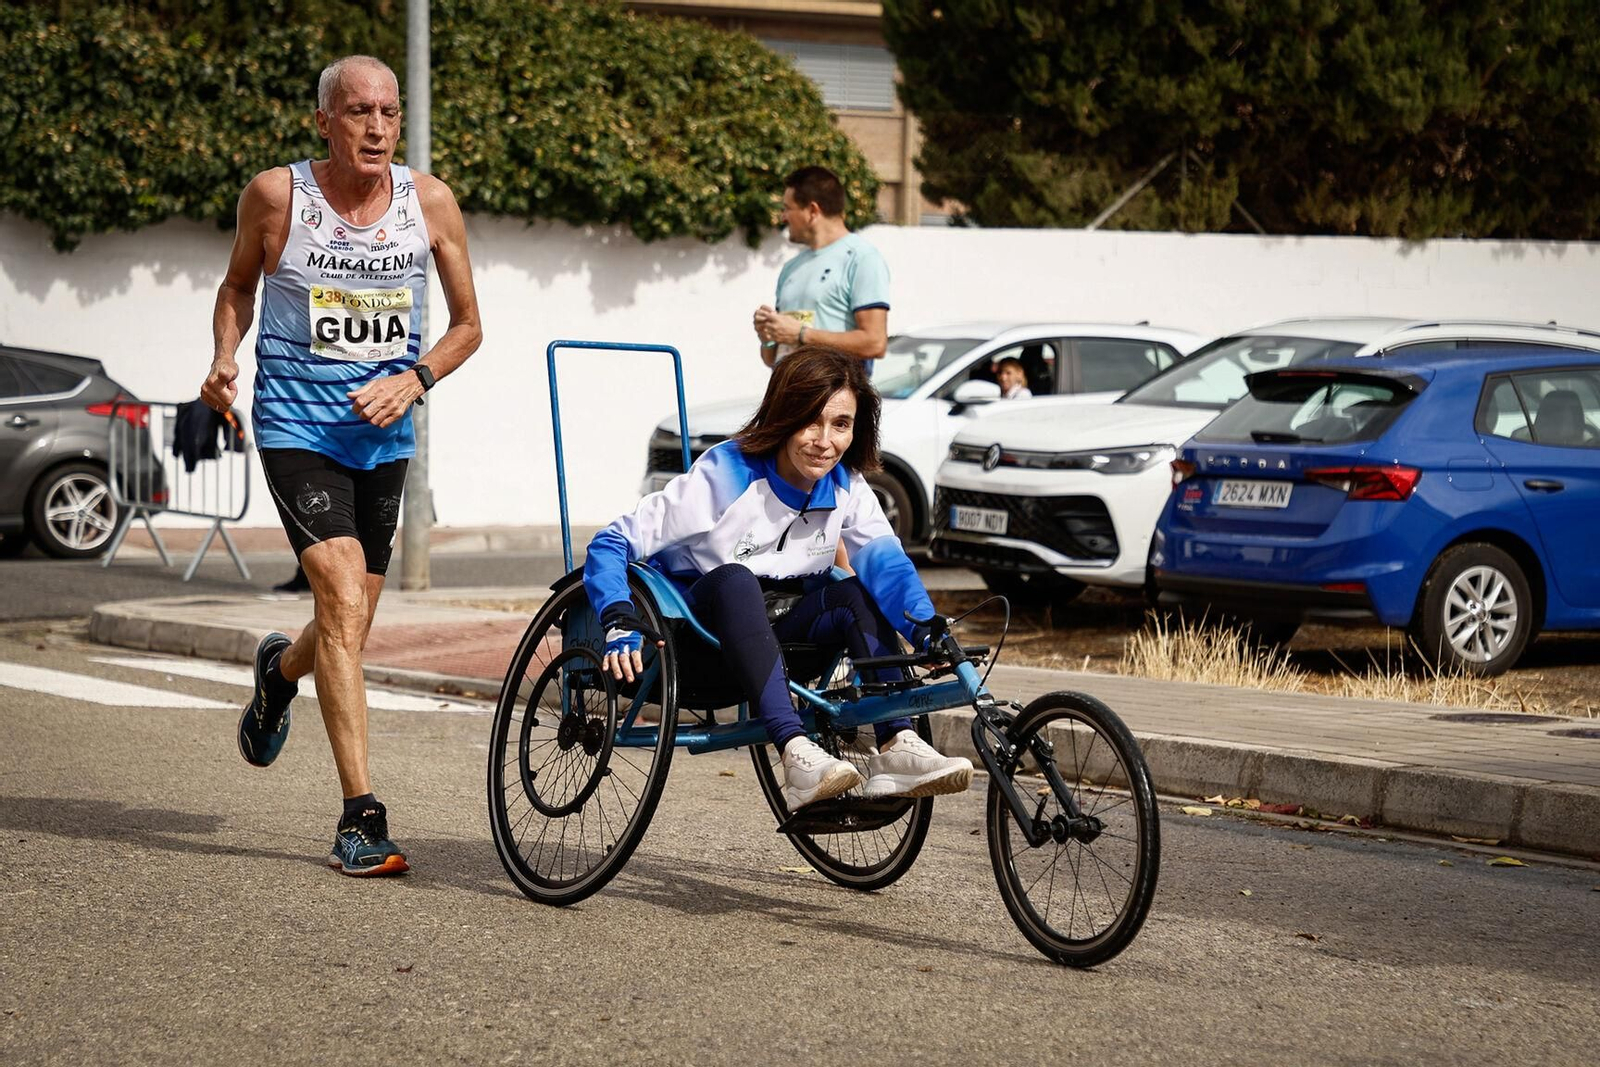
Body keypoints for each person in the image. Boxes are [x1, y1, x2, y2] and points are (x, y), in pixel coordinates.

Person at [200, 54, 483, 877]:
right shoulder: (276, 195)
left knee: (347, 624)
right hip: (296, 428)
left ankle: (277, 671)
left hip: (385, 437)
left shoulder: (428, 203)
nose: (376, 126)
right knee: (337, 586)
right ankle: (360, 818)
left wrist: (416, 376)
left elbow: (469, 325)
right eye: (358, 111)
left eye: (389, 112)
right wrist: (225, 355)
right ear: (324, 120)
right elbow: (237, 287)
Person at [583, 347, 972, 809]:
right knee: (736, 580)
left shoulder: (846, 482)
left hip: (779, 638)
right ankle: (795, 752)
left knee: (853, 590)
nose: (824, 441)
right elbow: (610, 542)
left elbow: (886, 565)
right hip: (695, 645)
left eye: (841, 424)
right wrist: (618, 618)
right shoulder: (726, 473)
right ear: (783, 416)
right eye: (810, 420)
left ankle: (897, 745)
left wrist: (927, 631)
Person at [752, 166, 890, 372]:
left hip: (835, 399)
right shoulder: (791, 267)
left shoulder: (862, 258)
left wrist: (801, 335)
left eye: (788, 208)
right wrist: (768, 337)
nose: (783, 217)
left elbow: (875, 343)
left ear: (813, 211)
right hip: (788, 397)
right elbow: (772, 358)